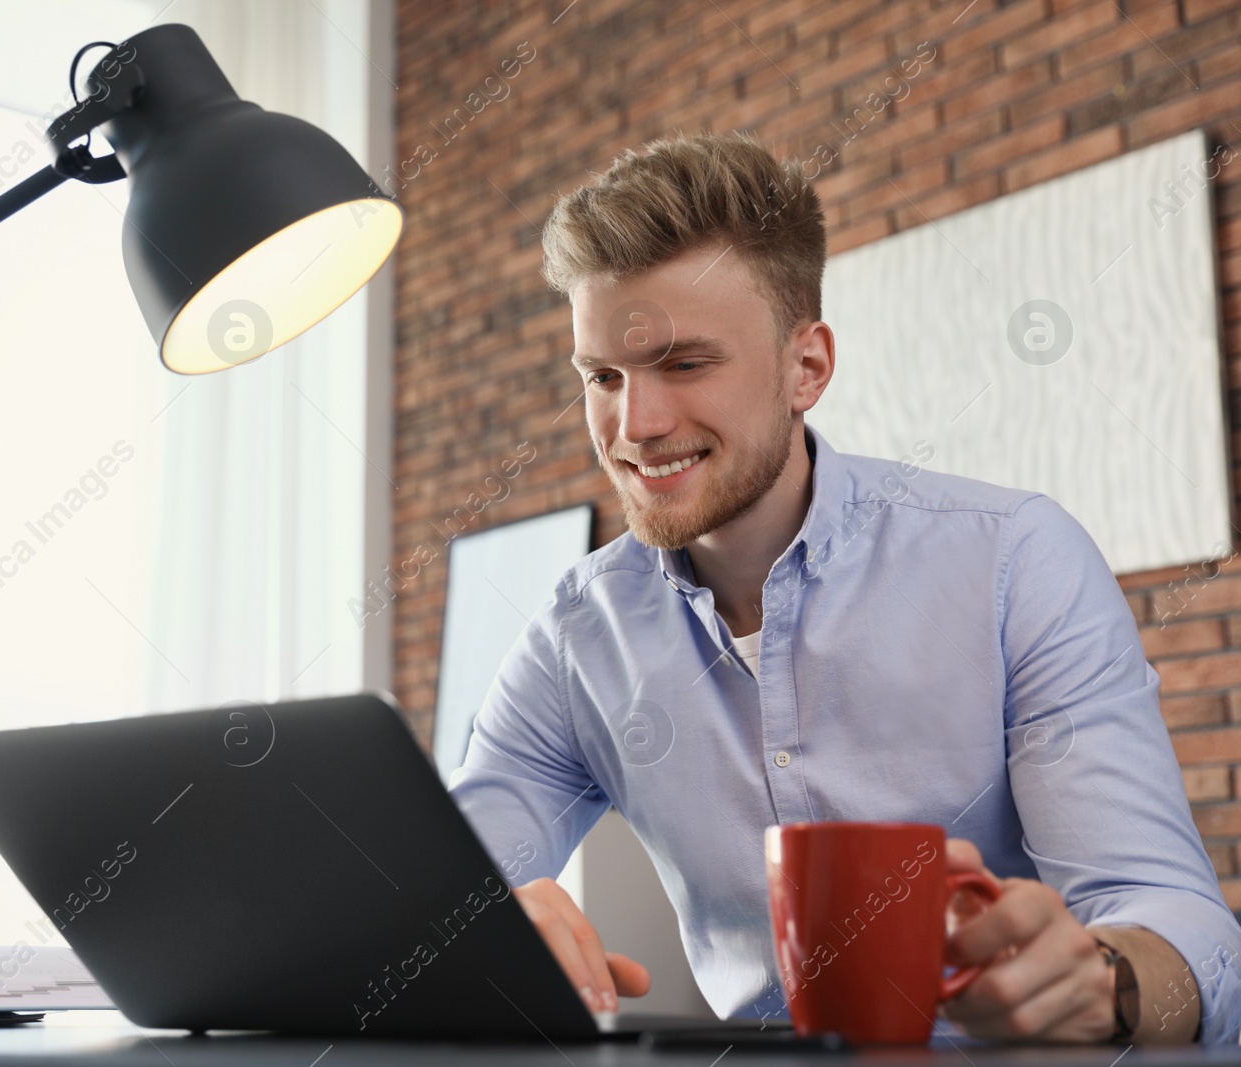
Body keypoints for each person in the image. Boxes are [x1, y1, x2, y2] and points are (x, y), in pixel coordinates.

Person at [445, 130, 1240, 1045]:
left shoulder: (1015, 560)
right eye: (604, 377)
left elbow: (1198, 944)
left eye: (686, 364)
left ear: (807, 367)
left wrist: (1112, 983)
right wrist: (483, 924)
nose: (638, 423)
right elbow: (447, 884)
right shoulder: (574, 636)